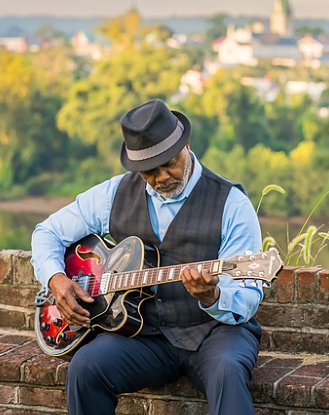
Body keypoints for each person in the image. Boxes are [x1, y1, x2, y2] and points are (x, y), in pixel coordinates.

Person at [31, 98, 263, 415]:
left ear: (187, 144)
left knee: (228, 371)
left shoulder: (232, 204)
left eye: (169, 162)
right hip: (144, 336)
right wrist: (57, 279)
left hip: (216, 332)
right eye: (148, 170)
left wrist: (213, 295)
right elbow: (47, 233)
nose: (161, 176)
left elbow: (248, 294)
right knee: (85, 368)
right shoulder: (114, 194)